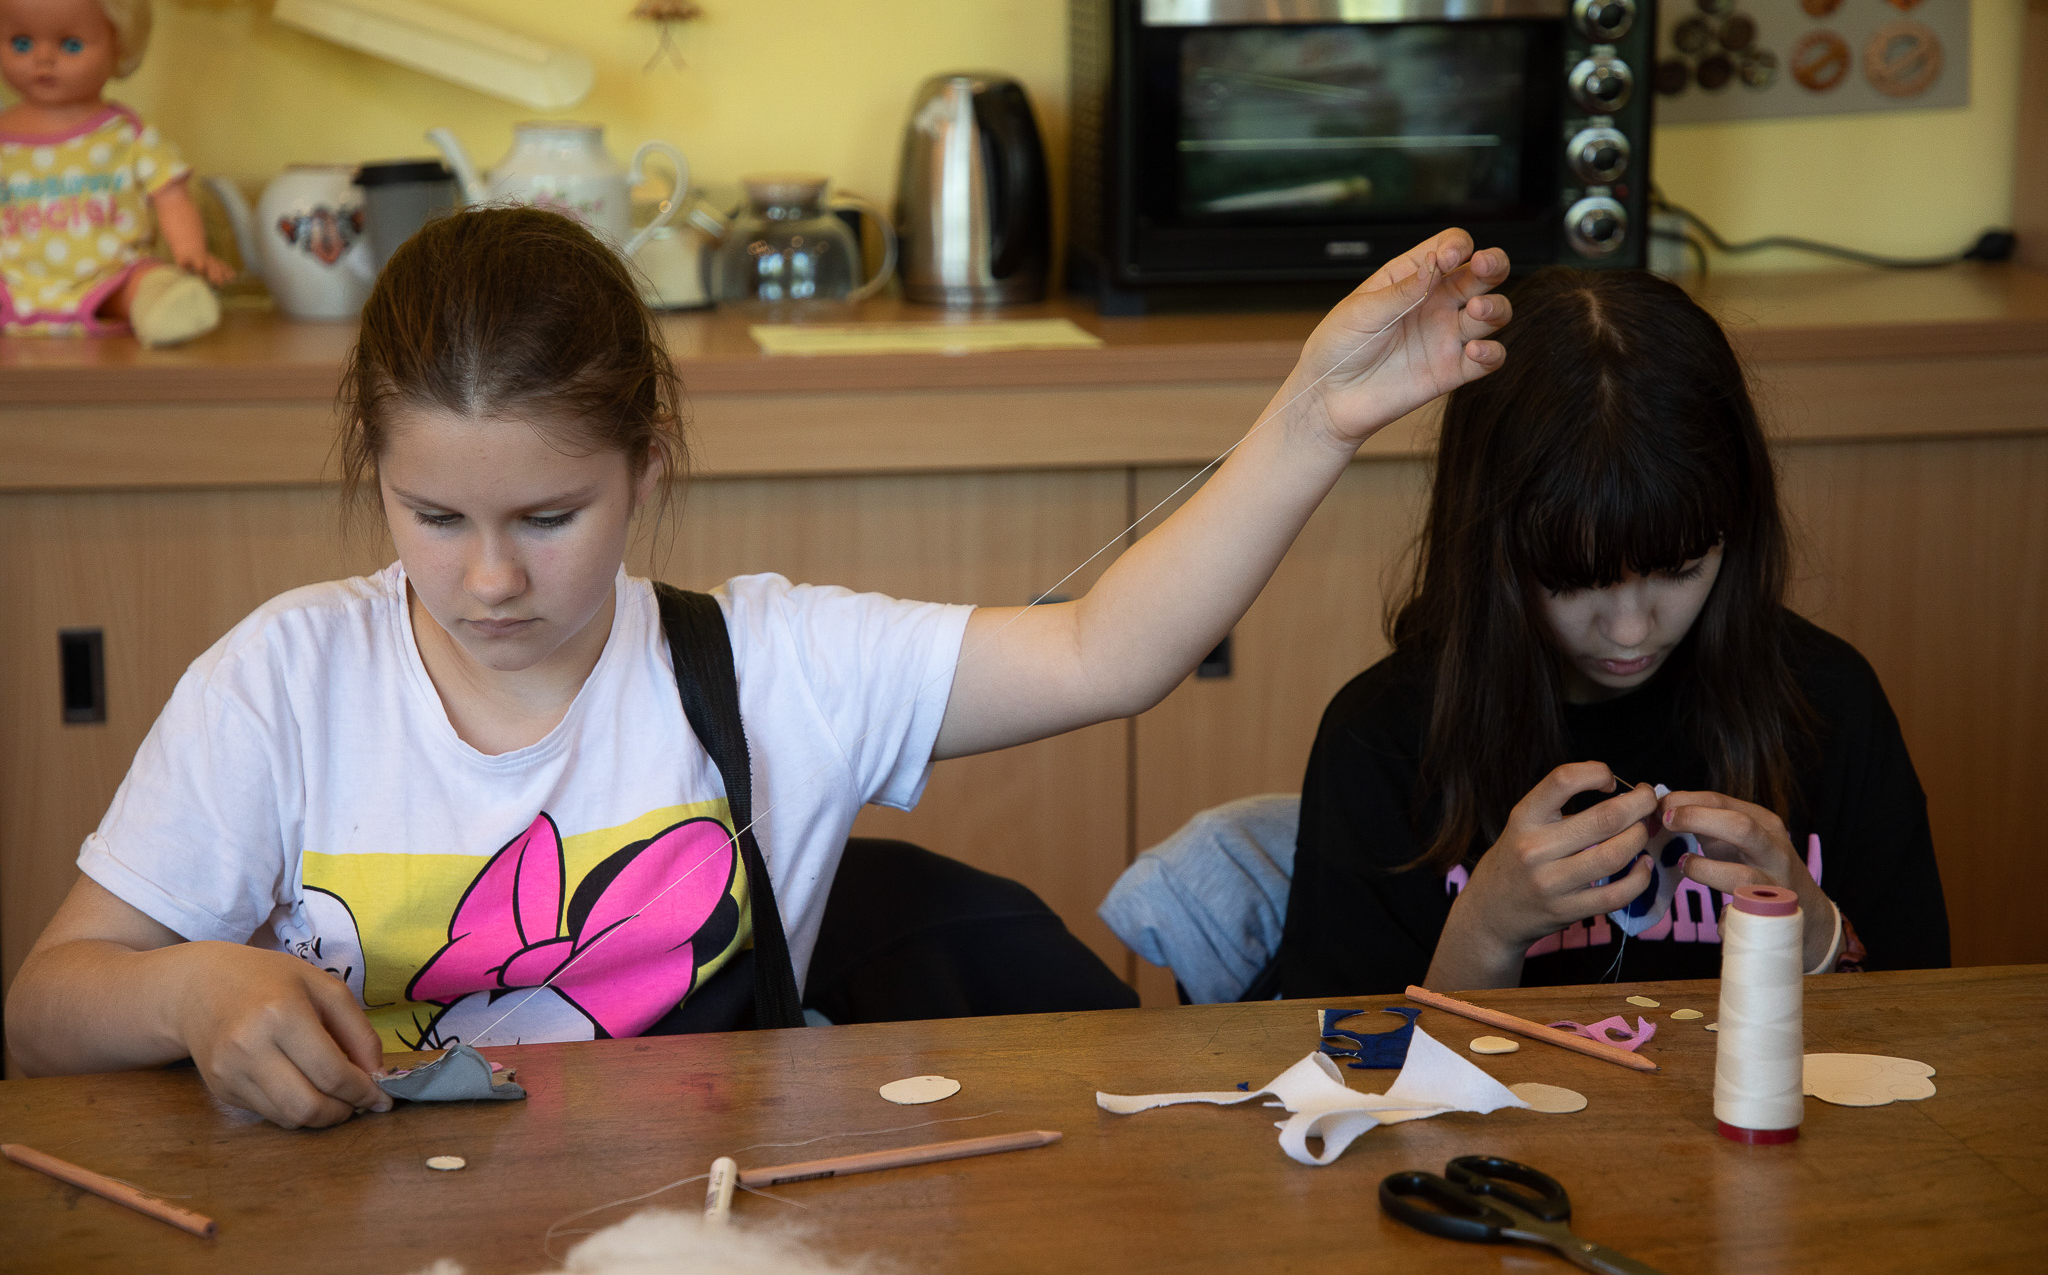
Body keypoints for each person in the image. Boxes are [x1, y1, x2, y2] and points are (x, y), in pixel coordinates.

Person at [4, 207, 1511, 1127]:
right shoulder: (283, 683)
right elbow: (45, 1008)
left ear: (647, 466)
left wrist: (1312, 418)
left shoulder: (766, 665)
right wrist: (192, 990)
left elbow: (1105, 651)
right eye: (432, 518)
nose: (489, 580)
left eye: (548, 518)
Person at [1278, 267, 1950, 998]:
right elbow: (1349, 1058)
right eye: (1575, 581)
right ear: (1492, 552)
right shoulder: (1381, 741)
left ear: (1739, 527)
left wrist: (1818, 934)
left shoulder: (1831, 704)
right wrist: (1486, 931)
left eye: (1682, 568)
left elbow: (1920, 1031)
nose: (1632, 630)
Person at [0, 0, 231, 344]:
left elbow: (171, 197)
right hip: (11, 284)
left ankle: (164, 303)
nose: (43, 59)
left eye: (70, 44)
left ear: (120, 40)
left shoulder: (128, 137)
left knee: (145, 281)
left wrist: (191, 254)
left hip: (110, 282)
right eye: (21, 42)